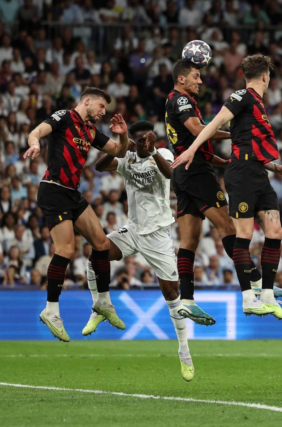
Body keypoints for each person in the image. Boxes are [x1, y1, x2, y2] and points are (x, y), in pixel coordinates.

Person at [172, 54, 282, 320]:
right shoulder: (241, 96)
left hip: (257, 172)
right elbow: (213, 124)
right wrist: (191, 151)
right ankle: (248, 296)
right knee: (240, 233)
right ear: (266, 76)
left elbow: (250, 145)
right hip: (240, 173)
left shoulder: (256, 105)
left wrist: (279, 168)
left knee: (275, 231)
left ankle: (266, 295)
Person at [83, 121, 199, 381]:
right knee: (96, 254)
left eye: (150, 138)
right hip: (133, 230)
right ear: (135, 142)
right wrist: (121, 146)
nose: (146, 142)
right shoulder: (128, 158)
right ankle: (99, 307)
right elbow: (99, 167)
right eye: (142, 140)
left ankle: (184, 352)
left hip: (158, 234)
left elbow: (170, 175)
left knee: (171, 293)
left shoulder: (164, 154)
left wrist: (154, 150)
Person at [24, 87, 129, 342]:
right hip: (53, 190)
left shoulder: (90, 131)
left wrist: (124, 136)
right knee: (65, 250)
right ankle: (51, 310)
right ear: (88, 101)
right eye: (101, 106)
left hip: (72, 194)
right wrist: (36, 143)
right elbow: (36, 131)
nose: (104, 112)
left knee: (102, 243)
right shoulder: (65, 117)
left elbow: (119, 151)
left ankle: (103, 303)